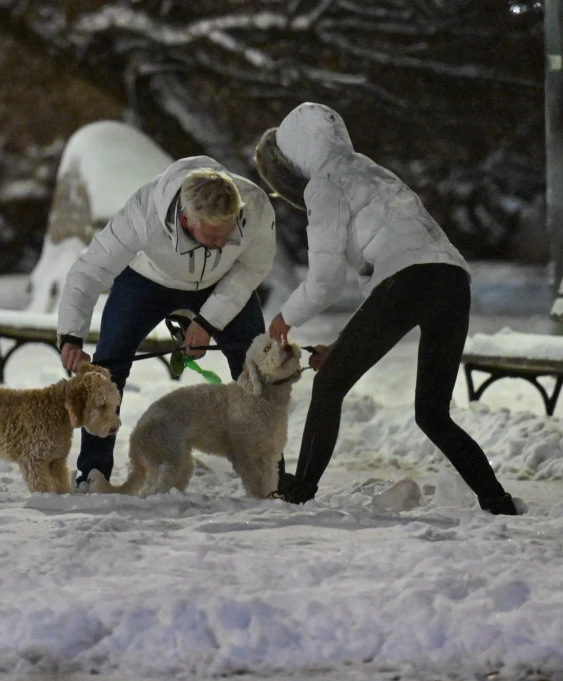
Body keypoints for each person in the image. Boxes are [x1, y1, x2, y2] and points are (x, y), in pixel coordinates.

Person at [255, 102, 520, 515]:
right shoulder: (374, 171)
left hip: (408, 281)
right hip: (452, 280)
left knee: (328, 388)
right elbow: (391, 274)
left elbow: (327, 280)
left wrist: (284, 317)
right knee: (432, 413)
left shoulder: (324, 183)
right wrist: (343, 348)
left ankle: (299, 492)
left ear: (295, 153)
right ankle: (496, 500)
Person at [58, 158, 276, 492]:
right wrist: (71, 336)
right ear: (186, 220)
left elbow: (251, 268)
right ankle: (92, 472)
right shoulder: (143, 213)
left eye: (229, 233)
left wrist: (208, 322)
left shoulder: (255, 205)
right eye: (214, 235)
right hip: (148, 279)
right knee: (107, 366)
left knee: (256, 367)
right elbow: (89, 271)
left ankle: (272, 472)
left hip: (224, 282)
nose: (222, 243)